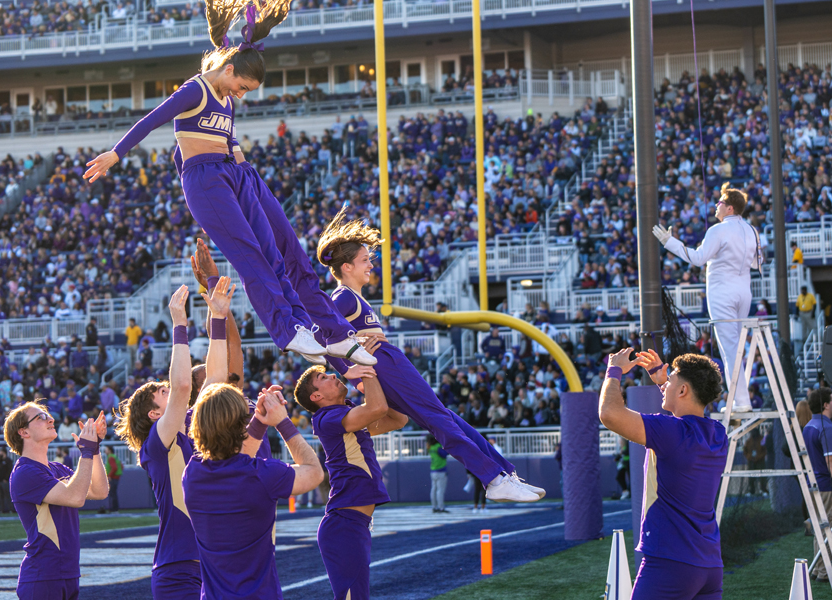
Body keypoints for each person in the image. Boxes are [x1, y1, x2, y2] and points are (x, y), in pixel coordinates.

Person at [83, 0, 374, 369]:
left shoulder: (226, 99)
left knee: (279, 252)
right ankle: (289, 329)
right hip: (207, 179)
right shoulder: (196, 90)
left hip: (235, 173)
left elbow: (217, 145)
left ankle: (326, 332)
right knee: (251, 255)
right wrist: (117, 153)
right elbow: (152, 120)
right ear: (230, 68)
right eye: (242, 85)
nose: (242, 93)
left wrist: (240, 172)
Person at [314, 207, 544, 502]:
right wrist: (347, 369)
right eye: (364, 261)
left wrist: (351, 363)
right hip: (384, 363)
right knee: (439, 418)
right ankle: (493, 478)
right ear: (346, 267)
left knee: (445, 416)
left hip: (385, 361)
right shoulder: (343, 296)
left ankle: (502, 473)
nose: (370, 265)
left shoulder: (353, 296)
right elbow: (319, 335)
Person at [114, 281, 231, 600]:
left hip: (213, 562)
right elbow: (182, 386)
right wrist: (179, 324)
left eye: (165, 389)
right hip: (178, 569)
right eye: (161, 393)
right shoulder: (155, 443)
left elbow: (217, 381)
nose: (172, 390)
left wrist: (218, 320)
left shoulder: (192, 423)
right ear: (153, 414)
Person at [601, 348, 727, 599]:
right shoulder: (718, 433)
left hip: (671, 562)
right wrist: (663, 380)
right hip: (710, 565)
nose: (666, 381)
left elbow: (610, 414)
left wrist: (613, 370)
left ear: (682, 391)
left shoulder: (672, 431)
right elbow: (689, 416)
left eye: (672, 380)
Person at [182, 381, 323, 598]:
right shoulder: (262, 475)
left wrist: (260, 419)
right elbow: (314, 472)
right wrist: (282, 422)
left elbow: (235, 459)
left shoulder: (192, 473)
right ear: (240, 425)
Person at [294, 360, 407, 600]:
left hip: (351, 523)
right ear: (316, 396)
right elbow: (377, 408)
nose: (333, 376)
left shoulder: (346, 414)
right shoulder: (326, 417)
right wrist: (365, 365)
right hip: (343, 525)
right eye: (323, 379)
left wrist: (371, 382)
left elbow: (398, 420)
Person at [653, 183, 760, 413]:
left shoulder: (717, 230)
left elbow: (698, 258)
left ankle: (742, 402)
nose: (716, 206)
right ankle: (743, 398)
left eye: (720, 202)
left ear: (730, 208)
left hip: (723, 292)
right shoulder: (752, 230)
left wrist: (669, 242)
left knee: (731, 349)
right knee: (737, 348)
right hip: (744, 292)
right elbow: (756, 262)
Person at [4, 401, 109, 599]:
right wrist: (86, 451)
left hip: (66, 575)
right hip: (43, 576)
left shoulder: (57, 469)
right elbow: (76, 498)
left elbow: (99, 491)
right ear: (23, 432)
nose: (50, 419)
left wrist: (93, 450)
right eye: (40, 417)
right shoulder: (25, 472)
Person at [803, 387, 832, 582]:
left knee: (820, 528)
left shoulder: (809, 426)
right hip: (827, 485)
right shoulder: (826, 427)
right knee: (830, 529)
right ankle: (825, 571)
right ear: (826, 405)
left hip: (813, 483)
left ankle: (819, 569)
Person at [427, 434, 449, 513]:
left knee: (433, 489)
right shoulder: (438, 447)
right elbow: (445, 454)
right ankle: (441, 507)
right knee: (440, 490)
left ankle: (434, 506)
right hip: (441, 470)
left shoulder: (431, 447)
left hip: (433, 470)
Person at [103, 446, 123, 513]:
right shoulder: (114, 456)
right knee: (114, 493)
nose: (105, 450)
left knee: (112, 494)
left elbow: (114, 468)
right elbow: (121, 466)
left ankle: (114, 509)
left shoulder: (111, 457)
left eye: (106, 449)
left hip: (113, 478)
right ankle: (115, 509)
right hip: (116, 477)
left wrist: (110, 476)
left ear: (110, 450)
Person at [0, 447, 13, 514]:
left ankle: (11, 509)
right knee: (1, 496)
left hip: (5, 481)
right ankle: (1, 509)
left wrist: (6, 479)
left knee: (7, 496)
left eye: (0, 451)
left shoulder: (8, 460)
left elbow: (10, 470)